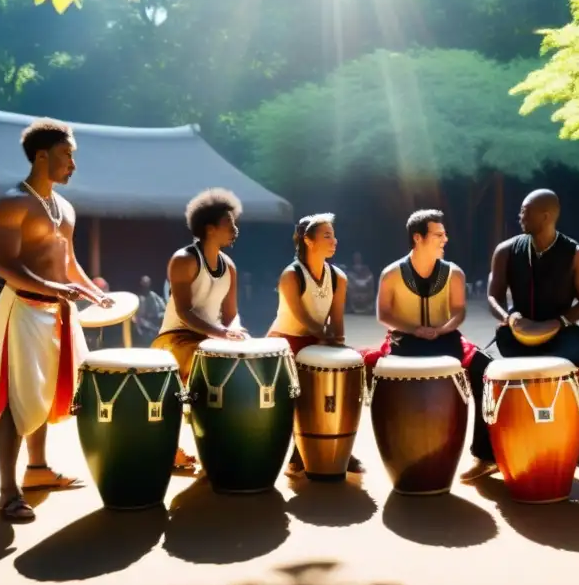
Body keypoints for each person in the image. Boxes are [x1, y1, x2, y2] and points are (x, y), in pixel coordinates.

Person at [0, 118, 113, 523]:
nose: (73, 164)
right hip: (23, 307)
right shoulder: (12, 202)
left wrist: (93, 293)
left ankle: (37, 469)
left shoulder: (65, 207)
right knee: (16, 395)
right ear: (42, 156)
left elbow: (69, 263)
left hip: (57, 308)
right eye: (67, 155)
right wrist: (55, 289)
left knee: (43, 391)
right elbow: (4, 265)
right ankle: (8, 492)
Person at [465, 189, 579, 485]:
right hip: (514, 332)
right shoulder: (506, 250)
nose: (519, 216)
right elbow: (493, 296)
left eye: (525, 211)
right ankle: (485, 455)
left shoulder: (577, 255)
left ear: (546, 216)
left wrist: (559, 322)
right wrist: (509, 317)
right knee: (484, 370)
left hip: (560, 332)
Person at [362, 209, 491, 456]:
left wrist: (442, 329)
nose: (445, 239)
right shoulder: (391, 274)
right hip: (403, 340)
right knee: (371, 369)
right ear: (417, 238)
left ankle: (484, 452)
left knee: (485, 368)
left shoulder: (454, 273)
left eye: (444, 234)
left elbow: (458, 312)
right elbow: (384, 315)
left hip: (446, 338)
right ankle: (392, 448)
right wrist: (414, 329)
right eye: (438, 234)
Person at [152, 188, 249, 473]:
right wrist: (221, 334)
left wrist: (237, 333)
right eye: (229, 224)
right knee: (209, 367)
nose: (235, 229)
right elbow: (184, 311)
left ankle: (221, 445)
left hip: (209, 337)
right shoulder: (183, 260)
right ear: (210, 228)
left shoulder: (229, 266)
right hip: (176, 339)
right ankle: (173, 448)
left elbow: (231, 315)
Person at [266, 213, 364, 477]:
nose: (334, 241)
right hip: (285, 341)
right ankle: (299, 451)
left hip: (317, 340)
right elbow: (304, 319)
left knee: (340, 380)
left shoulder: (338, 277)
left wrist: (340, 347)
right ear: (308, 241)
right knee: (303, 394)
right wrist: (325, 339)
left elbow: (337, 320)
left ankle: (339, 445)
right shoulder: (291, 275)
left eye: (333, 235)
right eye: (327, 235)